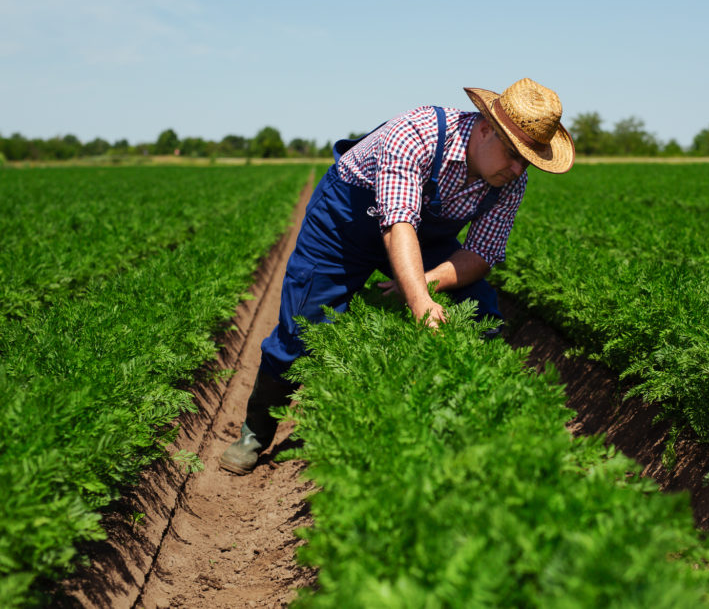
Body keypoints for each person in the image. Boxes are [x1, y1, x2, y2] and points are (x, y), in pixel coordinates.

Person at [219, 78, 575, 474]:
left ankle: (468, 418)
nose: (517, 168)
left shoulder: (510, 182)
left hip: (422, 234)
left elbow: (481, 253)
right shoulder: (417, 132)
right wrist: (419, 300)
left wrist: (428, 282)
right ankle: (255, 431)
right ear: (486, 127)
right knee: (304, 322)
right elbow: (398, 222)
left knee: (477, 307)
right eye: (513, 155)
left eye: (526, 161)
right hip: (346, 223)